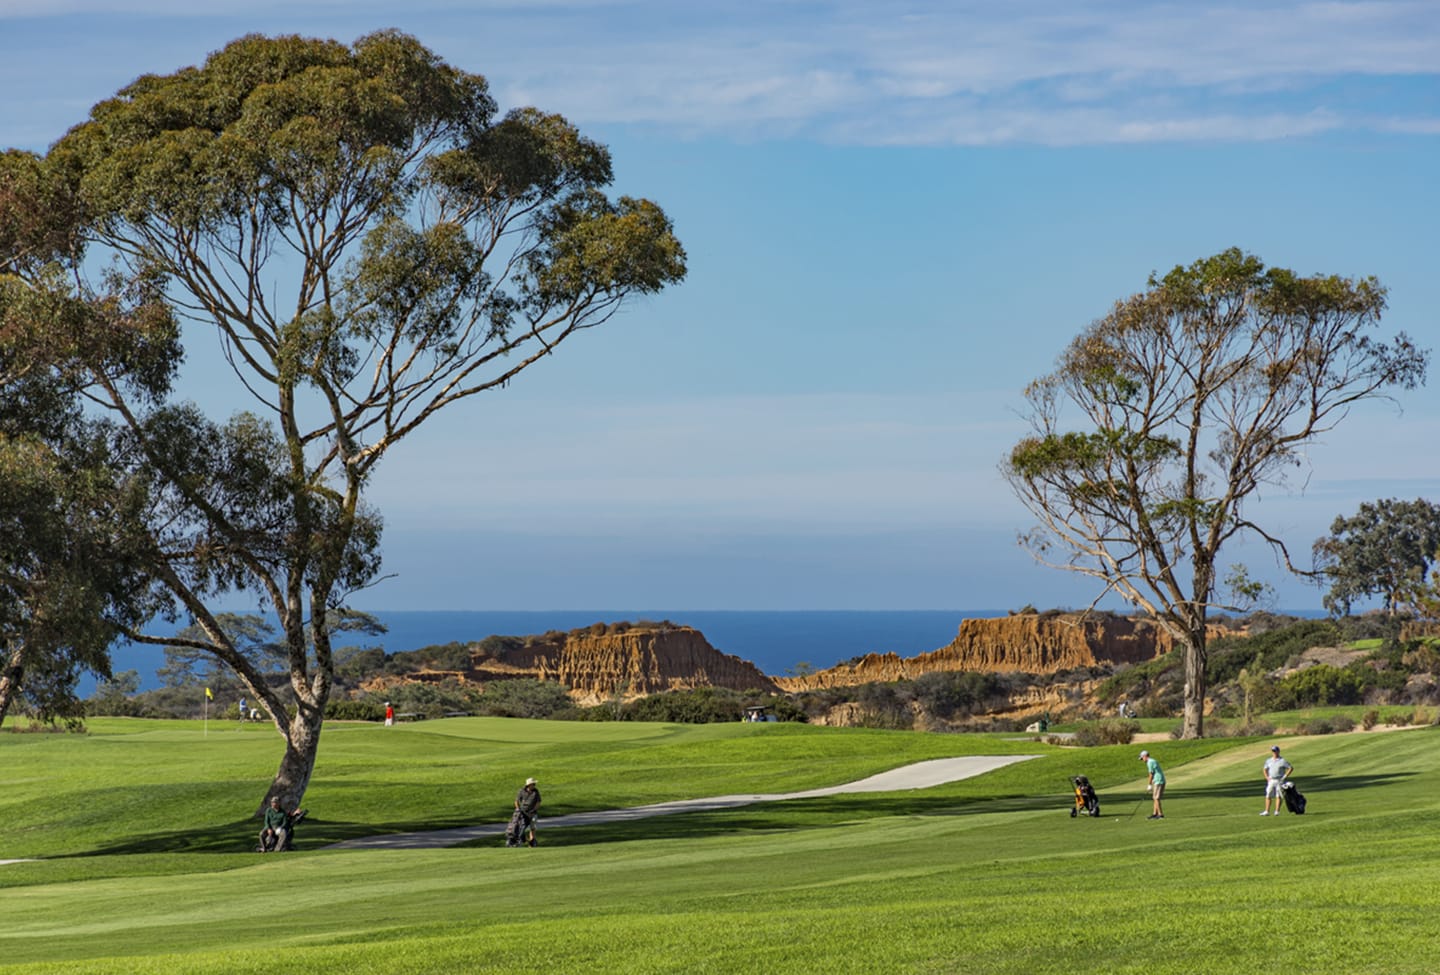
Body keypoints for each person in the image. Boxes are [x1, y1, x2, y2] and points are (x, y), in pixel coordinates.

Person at [508, 776, 542, 848]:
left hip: (533, 813)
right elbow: (516, 801)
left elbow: (538, 802)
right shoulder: (521, 791)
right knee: (521, 828)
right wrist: (518, 809)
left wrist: (534, 810)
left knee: (532, 828)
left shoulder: (536, 792)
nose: (534, 785)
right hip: (523, 813)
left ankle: (532, 842)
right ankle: (526, 841)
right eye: (533, 784)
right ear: (529, 785)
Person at [1261, 744, 1293, 816]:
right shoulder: (1269, 760)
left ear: (1278, 751)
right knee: (1268, 795)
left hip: (1279, 780)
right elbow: (1265, 769)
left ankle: (1277, 811)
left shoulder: (1282, 761)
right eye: (1273, 751)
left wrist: (1285, 776)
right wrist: (1267, 777)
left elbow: (1290, 768)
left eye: (1275, 751)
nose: (1274, 752)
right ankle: (1267, 811)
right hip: (1271, 780)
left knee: (1278, 796)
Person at [1140, 749, 1165, 819]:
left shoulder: (1150, 762)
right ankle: (1155, 814)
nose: (1142, 760)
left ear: (1145, 756)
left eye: (1142, 758)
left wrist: (1149, 784)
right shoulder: (1151, 761)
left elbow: (1151, 773)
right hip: (1157, 780)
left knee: (1156, 798)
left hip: (1158, 781)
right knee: (1154, 798)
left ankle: (1160, 815)